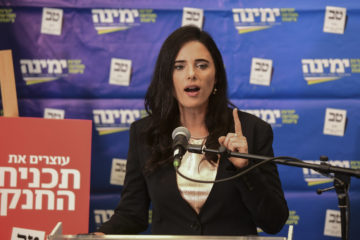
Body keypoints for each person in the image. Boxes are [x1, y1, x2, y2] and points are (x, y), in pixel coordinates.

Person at [96, 25, 289, 236]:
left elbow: (274, 221)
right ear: (168, 78)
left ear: (216, 77)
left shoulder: (253, 131)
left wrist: (244, 167)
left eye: (202, 65)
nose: (191, 74)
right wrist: (96, 236)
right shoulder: (145, 134)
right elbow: (132, 213)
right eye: (179, 67)